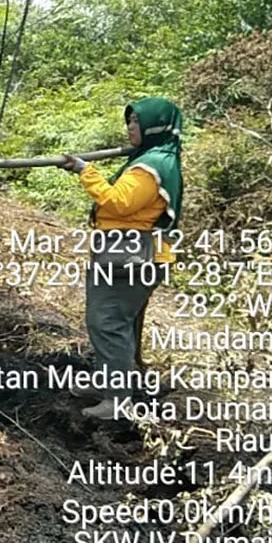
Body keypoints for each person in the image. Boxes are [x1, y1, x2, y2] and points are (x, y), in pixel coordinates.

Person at [58, 97, 183, 420]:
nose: (130, 128)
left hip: (131, 256)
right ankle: (107, 382)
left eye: (137, 122)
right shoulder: (157, 157)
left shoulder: (150, 166)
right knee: (110, 321)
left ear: (154, 126)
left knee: (109, 323)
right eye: (129, 121)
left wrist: (85, 171)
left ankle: (116, 400)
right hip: (131, 251)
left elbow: (118, 202)